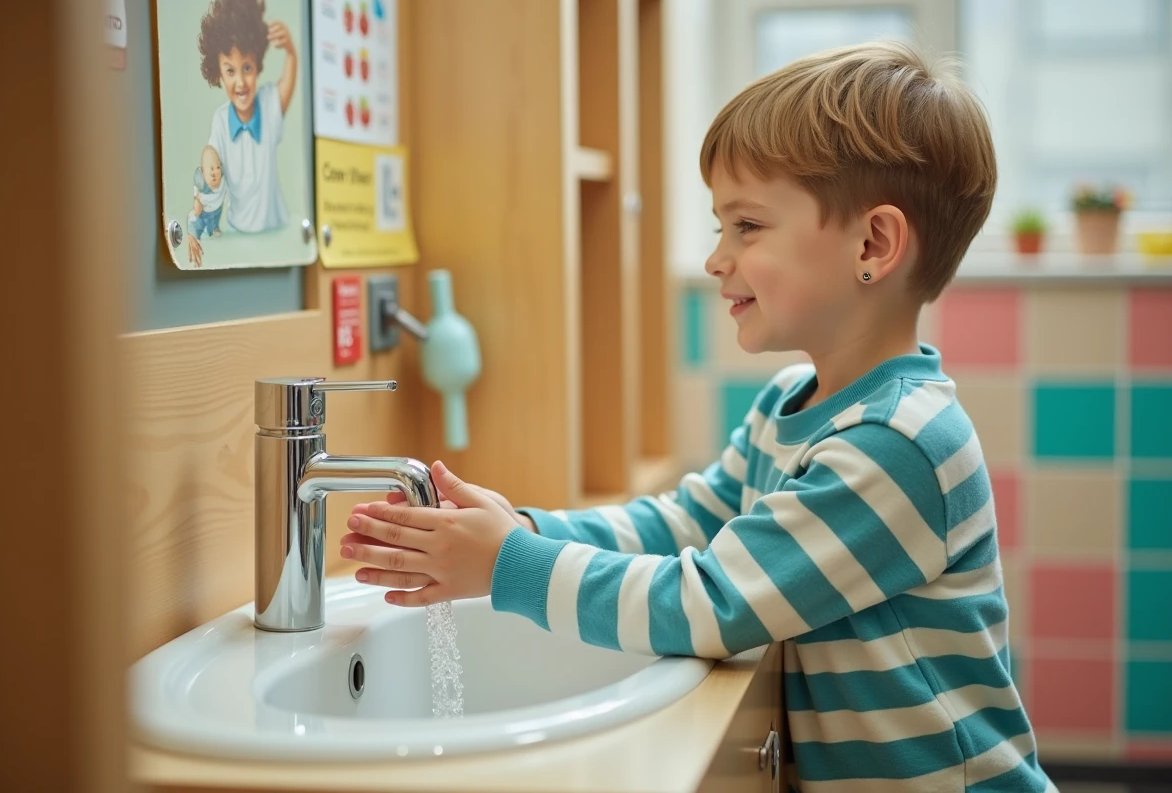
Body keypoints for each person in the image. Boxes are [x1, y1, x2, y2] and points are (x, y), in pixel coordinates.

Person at [341, 41, 1055, 792]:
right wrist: (526, 532)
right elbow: (686, 524)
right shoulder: (791, 404)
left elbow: (711, 600)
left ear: (873, 243)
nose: (718, 258)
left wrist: (505, 566)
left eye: (746, 226)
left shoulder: (898, 444)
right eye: (721, 227)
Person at [186, 0, 297, 266]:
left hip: (276, 231)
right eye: (230, 70)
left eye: (246, 68)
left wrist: (291, 52)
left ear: (257, 64)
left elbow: (287, 85)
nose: (240, 81)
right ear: (219, 74)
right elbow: (210, 174)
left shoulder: (269, 103)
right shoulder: (221, 121)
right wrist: (194, 224)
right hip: (237, 233)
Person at [188, 145, 227, 239]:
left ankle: (214, 228)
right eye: (211, 169)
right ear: (203, 171)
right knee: (198, 224)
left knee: (214, 221)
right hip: (203, 212)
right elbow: (197, 197)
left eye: (217, 167)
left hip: (216, 209)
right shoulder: (201, 184)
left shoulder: (223, 180)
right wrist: (197, 204)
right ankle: (196, 235)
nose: (215, 173)